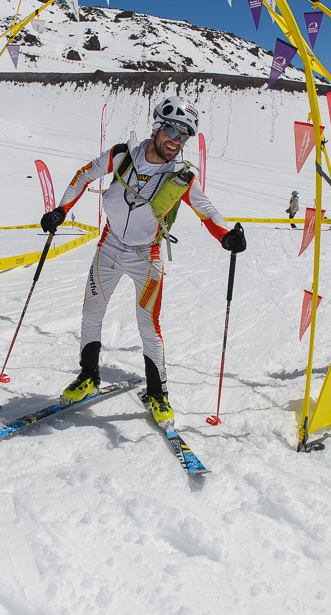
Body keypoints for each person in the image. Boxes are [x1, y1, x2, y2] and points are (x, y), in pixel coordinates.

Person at [39, 96, 246, 427]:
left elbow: (207, 209)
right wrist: (60, 209)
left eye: (184, 136)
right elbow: (83, 175)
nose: (176, 142)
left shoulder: (181, 176)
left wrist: (226, 236)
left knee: (148, 324)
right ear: (158, 127)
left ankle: (158, 393)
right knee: (92, 312)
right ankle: (88, 375)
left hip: (145, 256)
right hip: (108, 246)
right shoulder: (123, 155)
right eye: (173, 131)